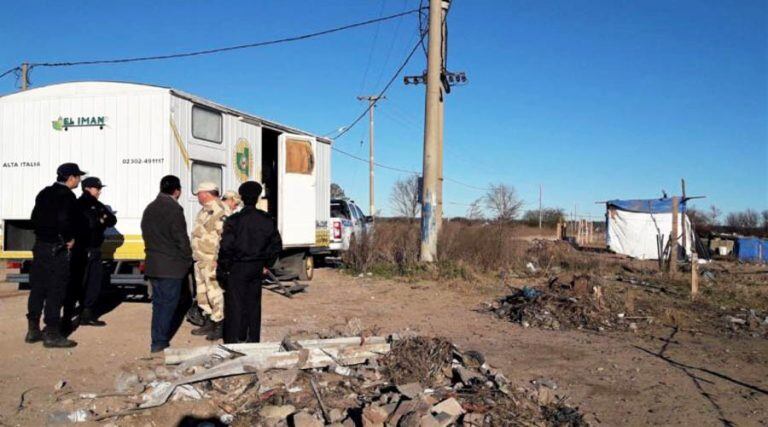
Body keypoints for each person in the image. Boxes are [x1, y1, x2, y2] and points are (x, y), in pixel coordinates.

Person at [26, 163, 86, 348]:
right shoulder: (67, 196)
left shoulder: (44, 193)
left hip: (40, 246)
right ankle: (52, 332)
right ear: (71, 178)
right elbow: (65, 220)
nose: (79, 180)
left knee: (38, 287)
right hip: (57, 248)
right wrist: (69, 238)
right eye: (78, 177)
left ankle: (33, 329)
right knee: (56, 289)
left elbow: (34, 218)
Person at [217, 181, 282, 343]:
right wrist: (267, 264)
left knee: (235, 305)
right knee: (253, 305)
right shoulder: (267, 220)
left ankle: (233, 341)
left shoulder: (234, 220)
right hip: (257, 267)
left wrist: (225, 267)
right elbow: (275, 245)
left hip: (237, 267)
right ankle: (253, 340)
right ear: (258, 197)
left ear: (242, 198)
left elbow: (226, 247)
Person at [140, 175, 193, 353]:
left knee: (158, 304)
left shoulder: (150, 208)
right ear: (177, 191)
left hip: (153, 264)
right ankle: (160, 341)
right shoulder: (174, 209)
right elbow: (181, 238)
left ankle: (157, 338)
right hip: (171, 266)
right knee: (169, 305)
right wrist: (187, 259)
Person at [67, 177, 116, 327]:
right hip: (84, 249)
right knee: (83, 282)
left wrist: (102, 219)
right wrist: (100, 220)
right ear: (88, 188)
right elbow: (90, 224)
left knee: (93, 282)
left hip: (94, 249)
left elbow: (112, 220)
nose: (100, 191)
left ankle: (86, 313)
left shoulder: (97, 204)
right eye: (97, 188)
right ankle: (74, 314)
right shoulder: (81, 203)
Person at [189, 182, 229, 341]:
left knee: (215, 292)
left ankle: (219, 323)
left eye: (199, 193)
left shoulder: (220, 210)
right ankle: (208, 319)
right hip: (200, 259)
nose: (198, 197)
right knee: (202, 293)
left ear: (206, 193)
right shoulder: (204, 211)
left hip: (211, 260)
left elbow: (224, 237)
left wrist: (218, 260)